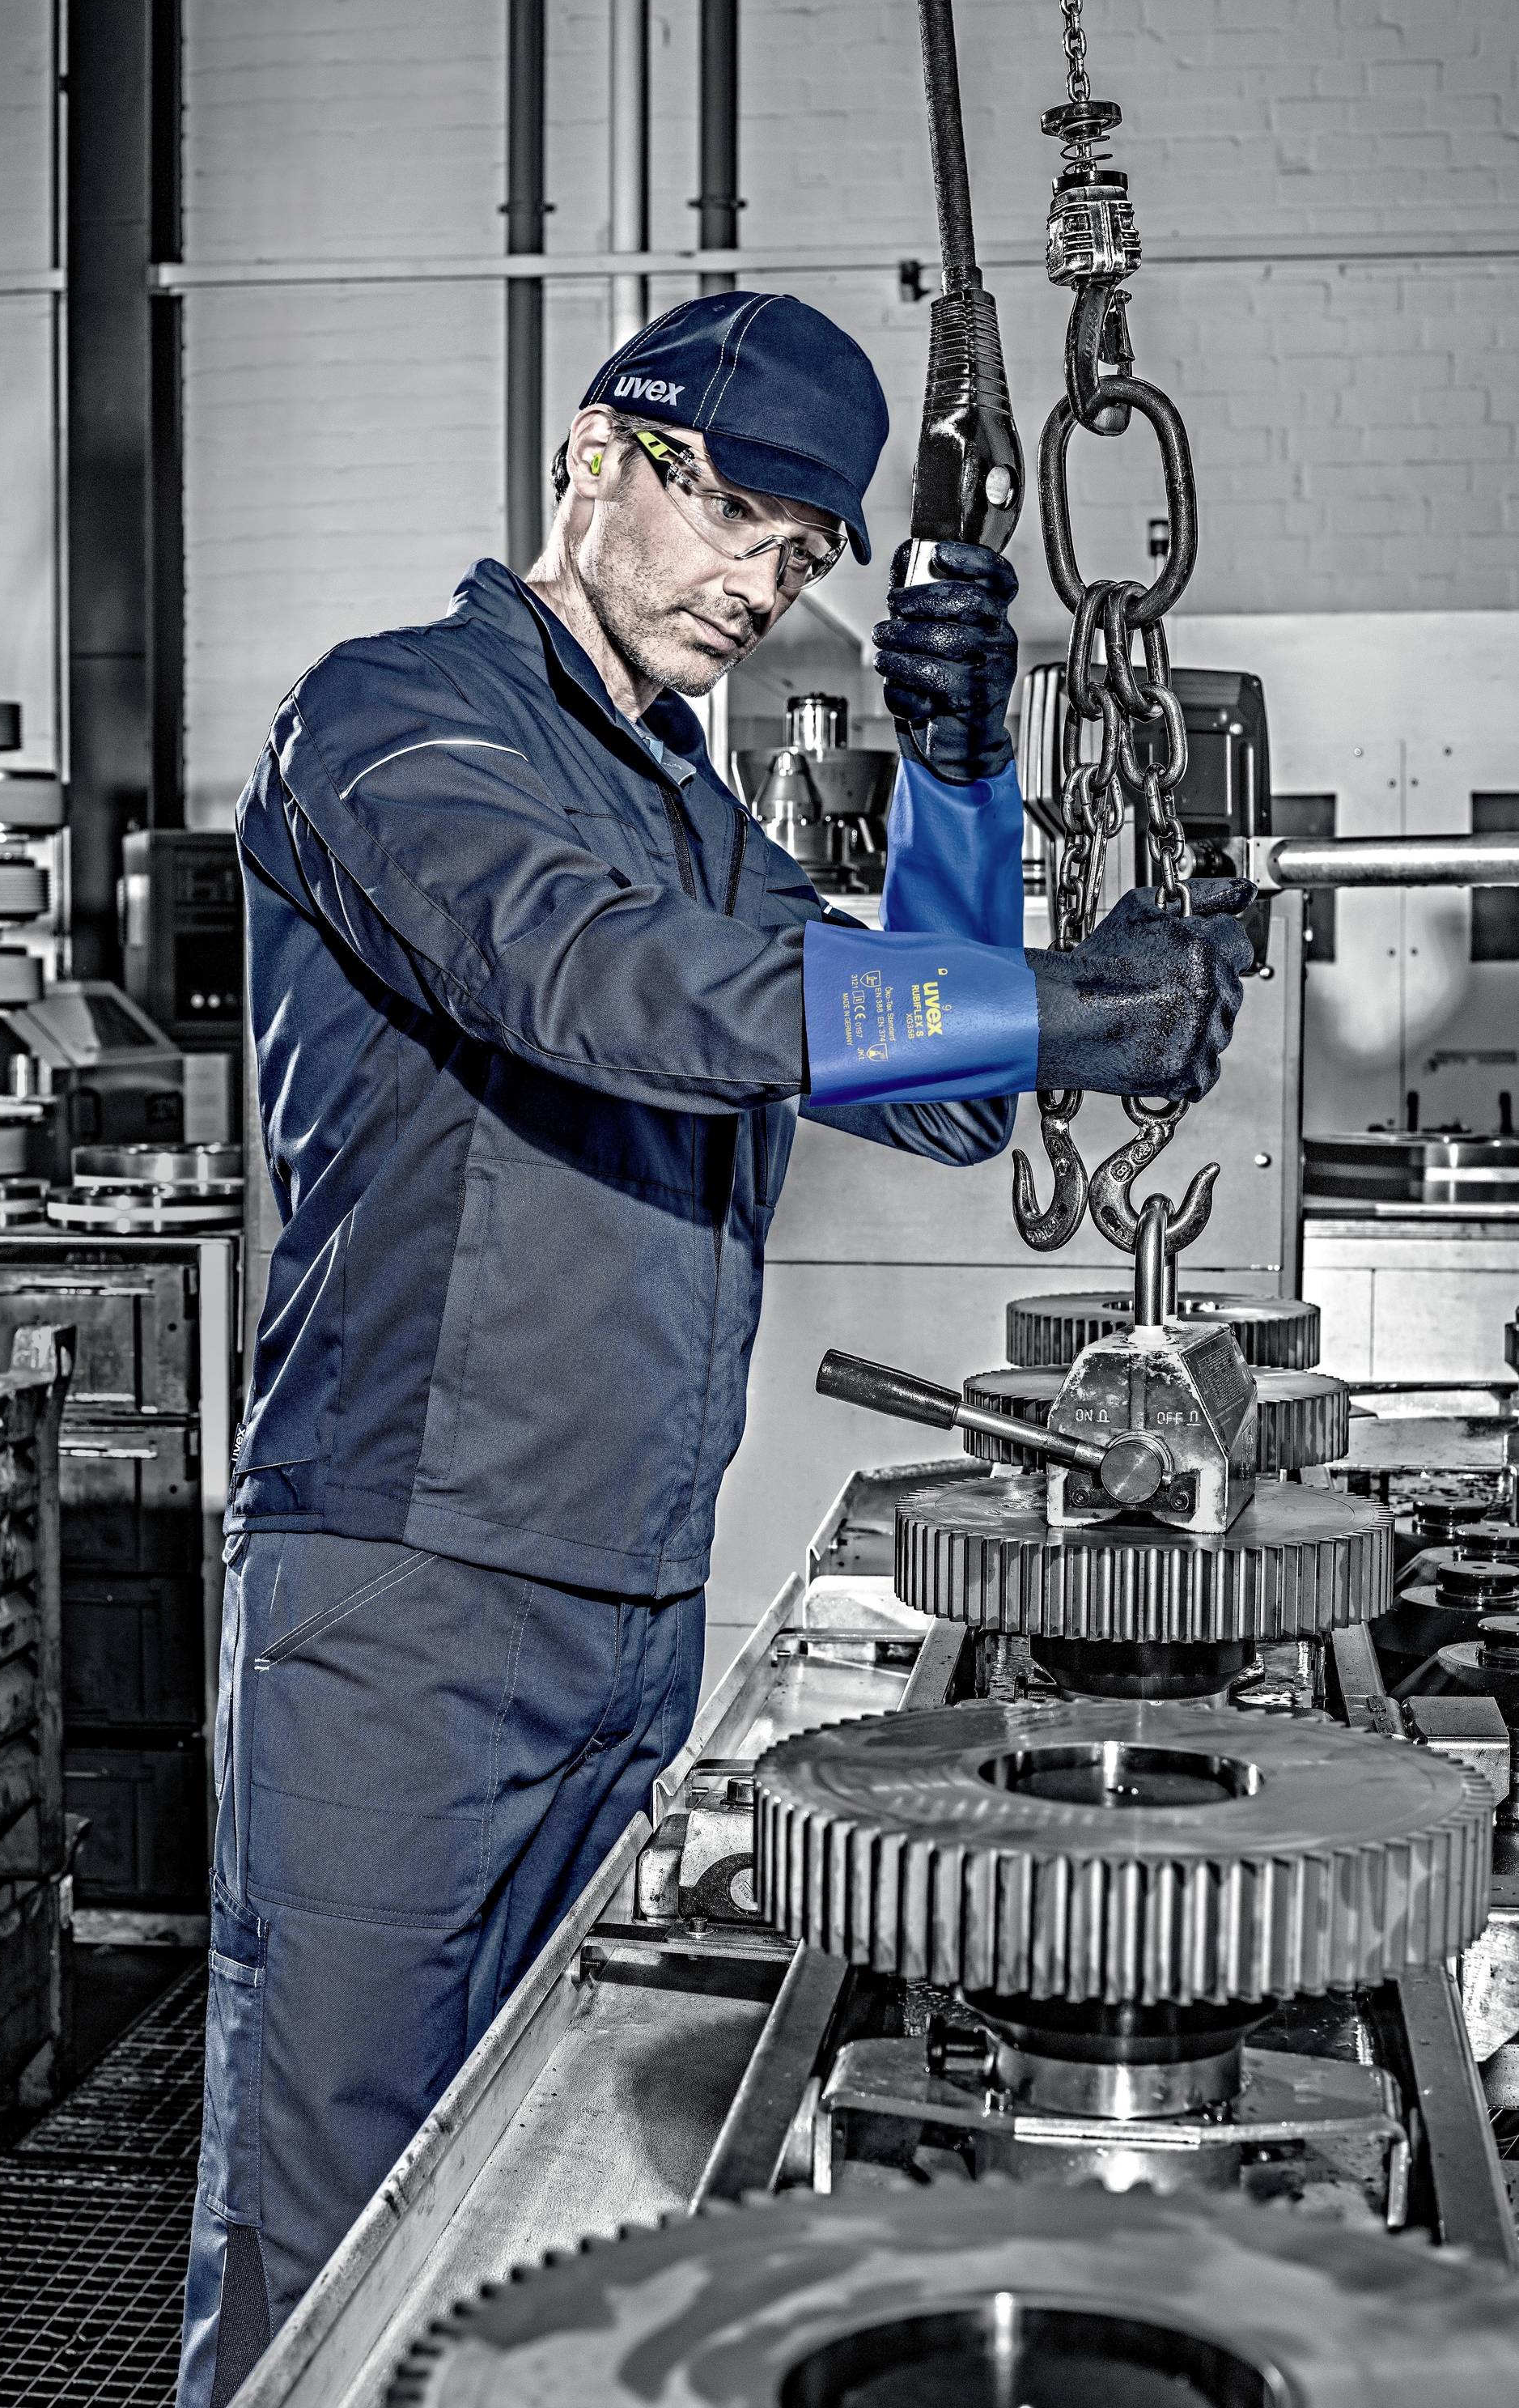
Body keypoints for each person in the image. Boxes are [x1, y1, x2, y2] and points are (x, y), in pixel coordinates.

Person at [178, 290, 1254, 2406]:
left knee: (519, 2217)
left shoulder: (680, 807)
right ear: (598, 453)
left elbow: (932, 1092)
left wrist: (953, 778)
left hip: (623, 1613)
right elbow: (615, 994)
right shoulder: (397, 727)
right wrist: (1060, 1005)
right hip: (407, 1597)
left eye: (801, 554)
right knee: (329, 2223)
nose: (761, 588)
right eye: (735, 518)